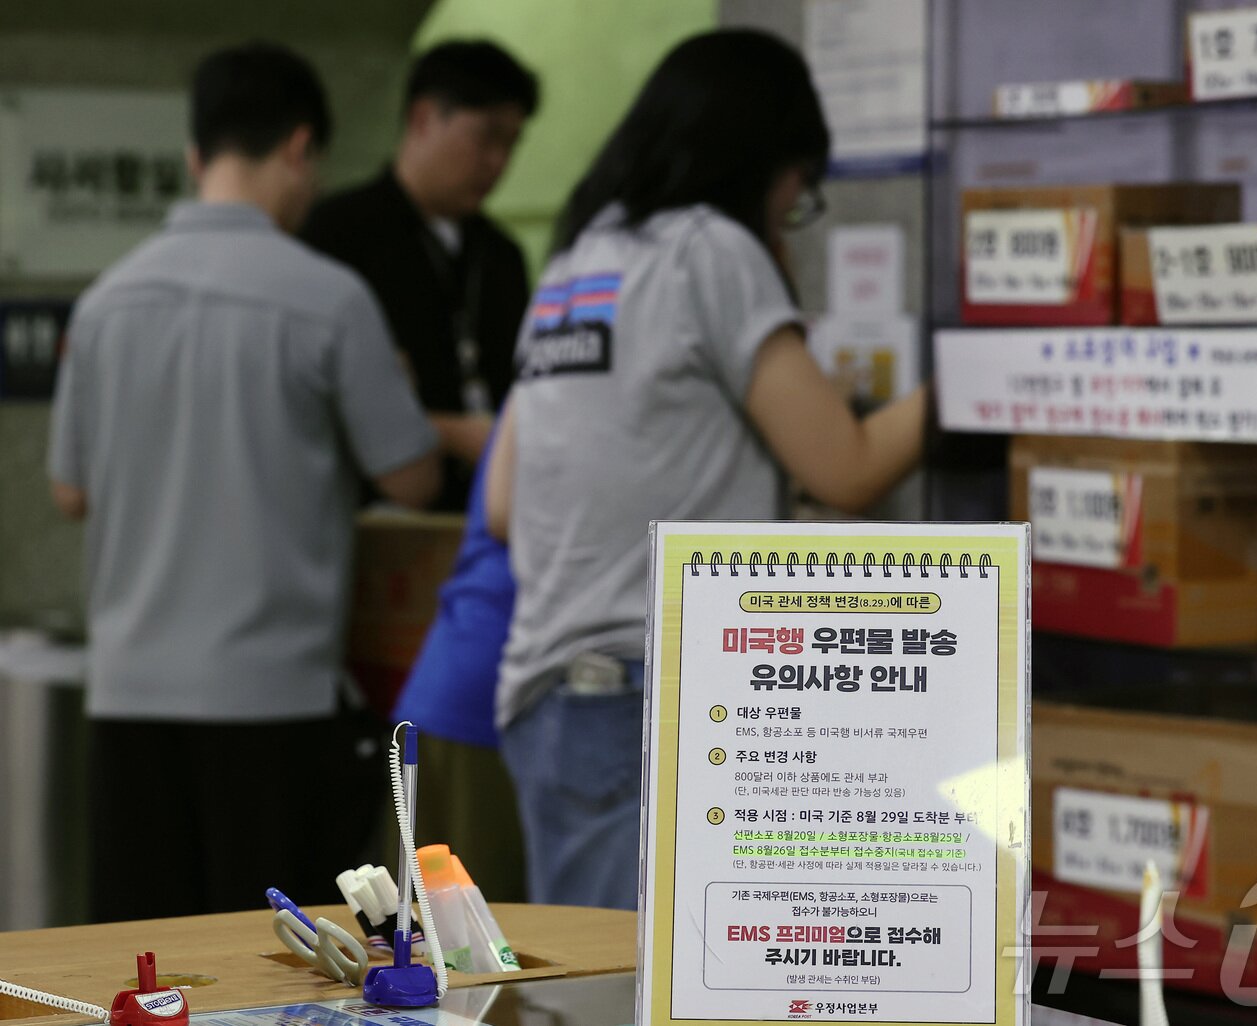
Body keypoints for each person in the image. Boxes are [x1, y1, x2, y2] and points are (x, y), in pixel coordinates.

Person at [485, 29, 928, 910]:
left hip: (548, 697)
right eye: (799, 190)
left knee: (594, 977)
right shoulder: (710, 250)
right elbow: (847, 468)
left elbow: (503, 502)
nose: (791, 214)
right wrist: (982, 377)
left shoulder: (575, 264)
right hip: (641, 696)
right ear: (765, 162)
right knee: (652, 979)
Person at [47, 42, 441, 921]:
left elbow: (71, 492)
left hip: (129, 694)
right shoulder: (329, 298)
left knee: (147, 959)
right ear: (300, 147)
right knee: (277, 962)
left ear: (196, 155)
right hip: (274, 700)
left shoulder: (106, 302)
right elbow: (413, 479)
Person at [302, 40, 538, 511]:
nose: (498, 162)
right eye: (487, 138)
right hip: (374, 508)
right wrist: (445, 432)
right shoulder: (337, 231)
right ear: (424, 118)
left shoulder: (501, 254)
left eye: (512, 144)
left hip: (491, 505)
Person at [388, 428, 526, 902]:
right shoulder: (559, 395)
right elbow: (504, 513)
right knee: (457, 928)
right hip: (487, 689)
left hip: (465, 680)